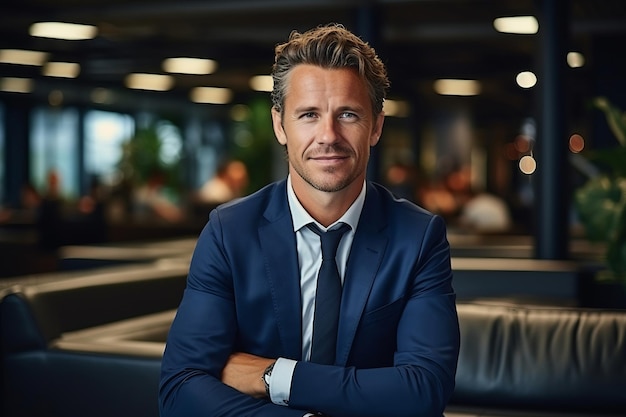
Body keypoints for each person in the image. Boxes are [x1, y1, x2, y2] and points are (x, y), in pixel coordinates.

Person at [159, 23, 460, 417]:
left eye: (348, 114)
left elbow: (424, 390)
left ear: (377, 127)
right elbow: (180, 390)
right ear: (280, 125)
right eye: (308, 115)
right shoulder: (229, 232)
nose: (328, 135)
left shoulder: (418, 237)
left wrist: (275, 376)